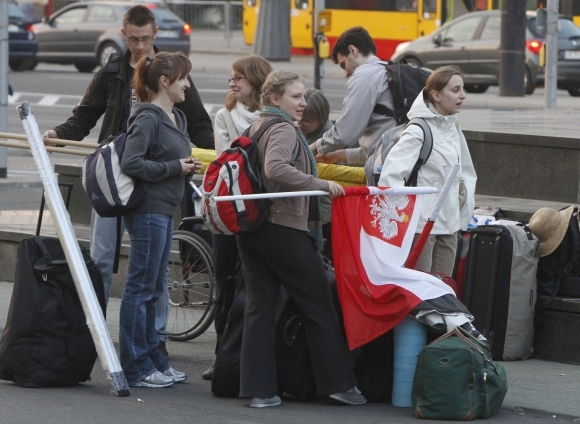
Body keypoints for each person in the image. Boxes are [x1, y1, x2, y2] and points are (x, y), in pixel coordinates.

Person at [41, 5, 214, 357]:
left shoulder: (167, 71)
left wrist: (210, 159)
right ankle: (95, 335)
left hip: (152, 183)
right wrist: (59, 133)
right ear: (123, 35)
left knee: (154, 265)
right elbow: (86, 114)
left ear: (154, 35)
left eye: (146, 39)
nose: (139, 46)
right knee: (104, 258)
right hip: (114, 177)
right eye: (133, 39)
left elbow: (197, 121)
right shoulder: (113, 70)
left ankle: (156, 338)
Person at [237, 70, 366, 408]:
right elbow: (275, 169)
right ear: (275, 98)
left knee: (260, 308)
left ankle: (259, 391)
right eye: (295, 96)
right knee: (318, 303)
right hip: (282, 226)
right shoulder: (282, 129)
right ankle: (338, 384)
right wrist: (319, 183)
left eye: (303, 96)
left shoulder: (255, 126)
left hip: (252, 228)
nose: (303, 103)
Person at [119, 51, 201, 388]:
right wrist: (174, 168)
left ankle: (154, 359)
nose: (188, 84)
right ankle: (136, 366)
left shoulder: (176, 117)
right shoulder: (148, 116)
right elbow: (131, 162)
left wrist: (185, 166)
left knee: (154, 289)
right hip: (147, 210)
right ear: (165, 82)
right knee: (140, 288)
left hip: (165, 209)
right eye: (183, 77)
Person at [202, 54, 272, 381]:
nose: (232, 83)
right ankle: (222, 357)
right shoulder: (226, 115)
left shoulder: (276, 115)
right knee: (226, 283)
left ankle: (253, 358)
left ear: (256, 81)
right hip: (231, 210)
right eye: (231, 77)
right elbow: (227, 158)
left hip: (265, 211)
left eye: (238, 77)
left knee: (257, 288)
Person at [378, 65, 476, 276]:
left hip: (449, 226)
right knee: (420, 289)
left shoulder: (452, 128)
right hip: (421, 228)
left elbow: (465, 174)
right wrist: (404, 219)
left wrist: (462, 214)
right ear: (436, 95)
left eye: (463, 89)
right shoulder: (418, 130)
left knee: (443, 290)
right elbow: (391, 176)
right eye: (456, 90)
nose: (463, 96)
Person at [309, 26, 397, 165]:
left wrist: (314, 148)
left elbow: (344, 134)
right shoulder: (388, 72)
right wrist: (341, 155)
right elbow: (381, 146)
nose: (346, 74)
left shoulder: (364, 76)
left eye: (343, 65)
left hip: (389, 170)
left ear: (352, 50)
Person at [299, 88, 334, 258]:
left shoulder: (331, 139)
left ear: (320, 119)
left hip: (323, 209)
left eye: (306, 121)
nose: (301, 123)